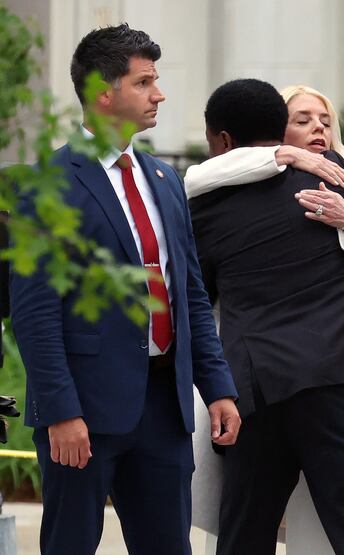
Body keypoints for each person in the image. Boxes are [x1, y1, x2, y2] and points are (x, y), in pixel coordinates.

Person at [10, 24, 240, 555]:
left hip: (164, 410)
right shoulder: (49, 186)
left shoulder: (164, 179)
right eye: (144, 82)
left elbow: (190, 297)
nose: (159, 94)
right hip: (83, 413)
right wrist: (62, 412)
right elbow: (35, 313)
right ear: (102, 93)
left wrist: (218, 388)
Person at [188, 78, 344, 555]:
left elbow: (199, 299)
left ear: (223, 141)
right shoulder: (326, 176)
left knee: (245, 536)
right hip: (338, 378)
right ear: (281, 128)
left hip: (255, 389)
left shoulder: (203, 205)